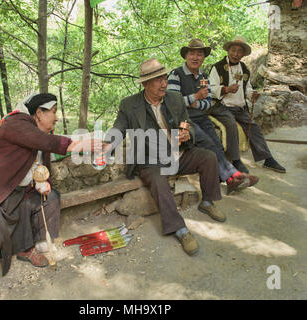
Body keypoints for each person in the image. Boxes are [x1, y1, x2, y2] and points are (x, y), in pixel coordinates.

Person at [0, 93, 99, 300]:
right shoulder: (17, 124)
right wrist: (78, 144)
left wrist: (42, 183)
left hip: (8, 195)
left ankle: (27, 249)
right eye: (53, 112)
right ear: (38, 113)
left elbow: (37, 169)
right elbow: (45, 141)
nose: (56, 118)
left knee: (49, 198)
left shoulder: (39, 135)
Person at [104, 58, 227, 258]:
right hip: (151, 160)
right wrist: (107, 144)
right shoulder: (129, 105)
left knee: (208, 157)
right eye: (157, 80)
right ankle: (179, 229)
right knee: (159, 180)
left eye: (164, 78)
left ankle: (208, 202)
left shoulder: (175, 98)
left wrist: (188, 134)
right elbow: (118, 128)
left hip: (178, 154)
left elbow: (187, 123)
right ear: (145, 84)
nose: (163, 83)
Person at [167, 38, 259, 194]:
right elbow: (172, 103)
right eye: (192, 54)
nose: (195, 58)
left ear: (203, 58)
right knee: (207, 143)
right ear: (186, 56)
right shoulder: (176, 74)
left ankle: (225, 179)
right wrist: (195, 97)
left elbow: (208, 103)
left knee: (217, 144)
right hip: (183, 120)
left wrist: (194, 103)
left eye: (199, 54)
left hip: (201, 117)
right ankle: (234, 176)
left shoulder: (204, 76)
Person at [208, 36, 286, 174]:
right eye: (233, 50)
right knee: (231, 124)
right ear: (228, 51)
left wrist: (252, 94)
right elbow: (211, 89)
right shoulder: (217, 67)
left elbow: (247, 88)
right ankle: (236, 160)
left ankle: (267, 158)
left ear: (243, 54)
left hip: (239, 107)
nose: (236, 54)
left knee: (254, 126)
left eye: (239, 51)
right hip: (221, 106)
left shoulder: (244, 69)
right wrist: (225, 89)